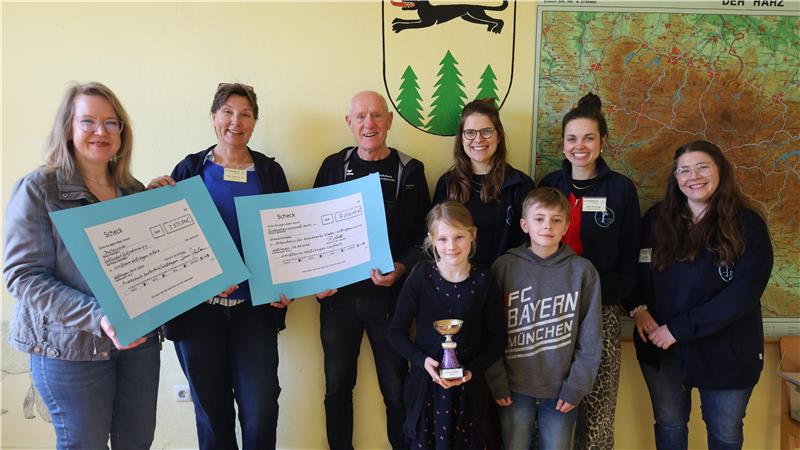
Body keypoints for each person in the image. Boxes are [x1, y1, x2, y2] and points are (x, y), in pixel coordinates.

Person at [4, 81, 160, 449]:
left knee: (136, 443)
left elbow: (148, 267)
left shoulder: (133, 191)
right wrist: (99, 315)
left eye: (111, 123)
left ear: (122, 132)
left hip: (137, 343)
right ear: (68, 128)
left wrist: (166, 207)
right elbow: (23, 277)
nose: (101, 132)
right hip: (70, 349)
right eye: (88, 121)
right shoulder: (39, 189)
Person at [151, 83, 291, 450]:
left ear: (255, 122)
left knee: (261, 410)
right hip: (198, 314)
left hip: (254, 312)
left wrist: (287, 286)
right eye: (228, 111)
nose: (236, 121)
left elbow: (286, 240)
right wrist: (151, 196)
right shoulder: (189, 169)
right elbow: (165, 243)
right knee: (212, 417)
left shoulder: (270, 173)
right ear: (214, 117)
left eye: (246, 114)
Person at [629, 140, 773, 450]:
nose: (692, 176)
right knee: (669, 425)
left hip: (727, 353)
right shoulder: (656, 221)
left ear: (720, 169)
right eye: (683, 170)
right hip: (662, 351)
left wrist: (678, 330)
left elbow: (742, 295)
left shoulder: (748, 226)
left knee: (725, 434)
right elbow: (635, 271)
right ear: (675, 178)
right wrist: (637, 308)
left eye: (702, 167)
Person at [314, 90, 430, 450]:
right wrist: (317, 280)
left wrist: (402, 266)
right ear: (349, 123)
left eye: (377, 116)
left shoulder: (410, 170)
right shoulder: (333, 166)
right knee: (336, 389)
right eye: (361, 117)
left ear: (389, 121)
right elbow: (311, 229)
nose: (369, 124)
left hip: (390, 302)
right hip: (338, 303)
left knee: (396, 389)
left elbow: (424, 239)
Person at [538, 92, 640, 449]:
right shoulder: (550, 185)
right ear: (563, 143)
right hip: (552, 314)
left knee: (597, 413)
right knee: (550, 407)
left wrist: (603, 295)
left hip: (601, 312)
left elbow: (630, 258)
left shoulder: (621, 189)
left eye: (588, 137)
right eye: (571, 138)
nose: (579, 146)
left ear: (602, 142)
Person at [487, 187, 602, 450]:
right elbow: (489, 332)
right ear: (524, 225)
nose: (547, 226)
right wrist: (497, 381)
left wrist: (576, 387)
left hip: (561, 390)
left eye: (556, 220)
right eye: (539, 219)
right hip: (513, 387)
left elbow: (591, 337)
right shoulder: (504, 267)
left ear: (567, 226)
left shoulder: (583, 272)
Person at [388, 201, 505, 449]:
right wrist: (422, 362)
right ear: (431, 240)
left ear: (473, 235)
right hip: (426, 387)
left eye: (459, 237)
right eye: (442, 239)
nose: (451, 246)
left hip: (469, 392)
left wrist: (472, 369)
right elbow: (396, 331)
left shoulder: (484, 281)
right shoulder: (421, 276)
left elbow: (498, 339)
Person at [432, 99, 534, 267]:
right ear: (462, 139)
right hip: (457, 283)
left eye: (486, 131)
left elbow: (528, 245)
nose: (478, 139)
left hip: (505, 282)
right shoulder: (447, 184)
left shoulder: (521, 185)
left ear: (499, 135)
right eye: (470, 132)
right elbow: (435, 241)